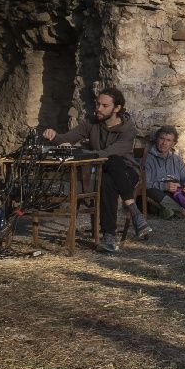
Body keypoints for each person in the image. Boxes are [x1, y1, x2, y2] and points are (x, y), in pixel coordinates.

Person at [42, 86, 144, 253]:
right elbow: (67, 139)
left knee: (113, 160)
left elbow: (108, 153)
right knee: (106, 180)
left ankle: (110, 236)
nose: (98, 109)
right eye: (97, 104)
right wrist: (54, 136)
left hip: (126, 172)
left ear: (117, 108)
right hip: (102, 172)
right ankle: (132, 212)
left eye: (105, 106)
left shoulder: (128, 129)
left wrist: (82, 152)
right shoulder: (91, 122)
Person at [142, 125, 185, 218]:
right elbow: (145, 184)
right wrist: (165, 186)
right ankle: (183, 211)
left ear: (173, 144)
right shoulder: (147, 158)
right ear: (156, 139)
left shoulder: (177, 159)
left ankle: (168, 211)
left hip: (175, 192)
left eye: (168, 140)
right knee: (153, 193)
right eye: (162, 138)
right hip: (156, 192)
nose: (164, 143)